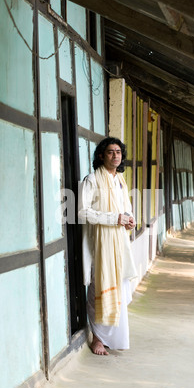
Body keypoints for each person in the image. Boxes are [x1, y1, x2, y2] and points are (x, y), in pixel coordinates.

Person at [78, 137, 137, 355]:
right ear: (101, 155)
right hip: (99, 244)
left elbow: (126, 209)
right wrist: (115, 218)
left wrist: (129, 220)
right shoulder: (92, 180)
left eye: (119, 152)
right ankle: (98, 338)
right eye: (110, 152)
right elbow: (82, 212)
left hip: (119, 244)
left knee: (118, 290)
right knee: (98, 288)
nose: (115, 155)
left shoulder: (120, 180)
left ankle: (113, 337)